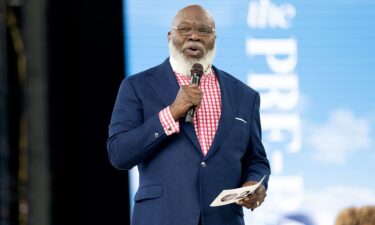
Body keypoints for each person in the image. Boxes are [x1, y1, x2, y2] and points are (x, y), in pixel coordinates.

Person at [107, 4, 271, 225]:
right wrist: (172, 112)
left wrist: (255, 184)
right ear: (169, 36)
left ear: (214, 39)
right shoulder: (138, 86)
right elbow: (119, 154)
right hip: (160, 217)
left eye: (204, 31)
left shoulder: (244, 95)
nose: (194, 36)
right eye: (184, 29)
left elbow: (256, 159)